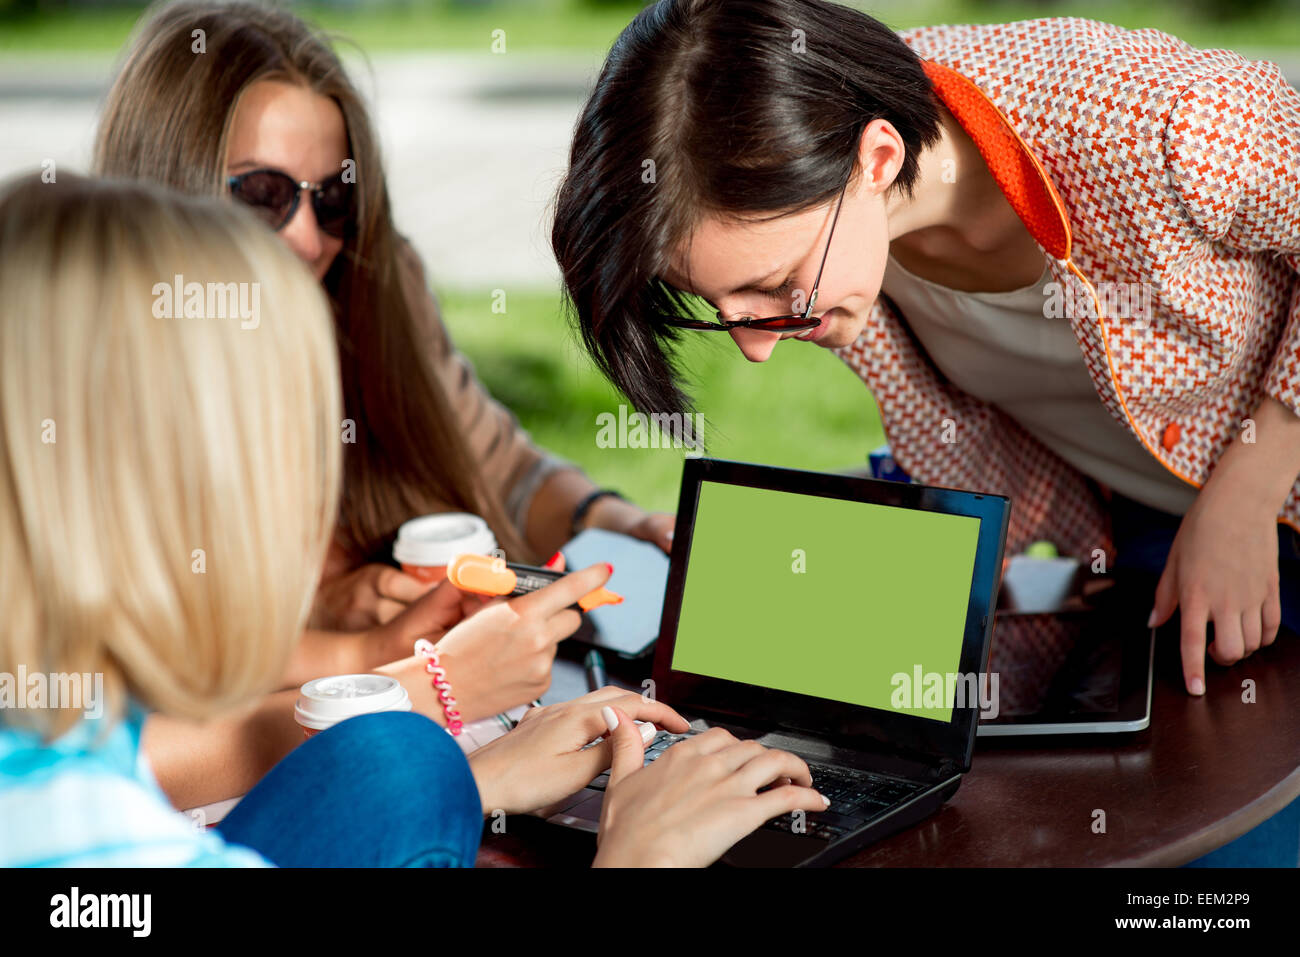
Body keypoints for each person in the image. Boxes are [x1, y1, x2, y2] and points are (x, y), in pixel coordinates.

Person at [550, 0, 1300, 865]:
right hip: (1125, 530)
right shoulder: (827, 188)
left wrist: (1248, 486)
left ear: (877, 157)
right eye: (723, 310)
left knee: (1218, 853)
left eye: (774, 287)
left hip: (1267, 505)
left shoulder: (1164, 123)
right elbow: (968, 442)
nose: (757, 347)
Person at [0, 173, 827, 868]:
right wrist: (634, 856)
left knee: (406, 762)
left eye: (336, 199)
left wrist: (483, 779)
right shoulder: (103, 851)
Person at [92, 0, 678, 805]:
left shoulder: (370, 284)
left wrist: (615, 521)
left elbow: (495, 459)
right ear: (163, 184)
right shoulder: (80, 376)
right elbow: (134, 716)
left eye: (333, 198)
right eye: (261, 195)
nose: (306, 238)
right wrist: (406, 670)